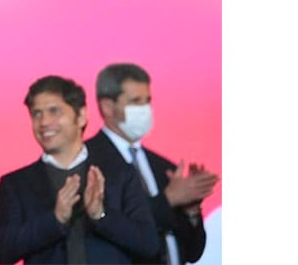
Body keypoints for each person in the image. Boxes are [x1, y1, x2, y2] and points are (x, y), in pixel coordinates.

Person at [0, 75, 159, 264]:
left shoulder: (119, 173)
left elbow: (149, 244)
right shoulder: (16, 184)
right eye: (37, 113)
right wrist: (55, 219)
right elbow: (3, 251)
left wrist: (101, 215)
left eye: (54, 111)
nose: (44, 121)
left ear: (81, 116)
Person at [85, 63, 220, 265]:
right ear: (107, 106)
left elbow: (192, 252)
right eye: (135, 101)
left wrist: (190, 211)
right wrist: (169, 199)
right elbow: (112, 228)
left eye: (147, 100)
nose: (145, 109)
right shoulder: (88, 161)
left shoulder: (163, 167)